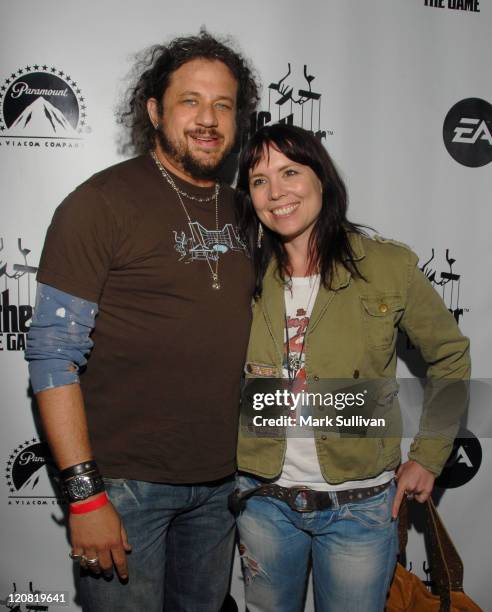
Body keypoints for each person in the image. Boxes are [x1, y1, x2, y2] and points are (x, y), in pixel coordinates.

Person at [25, 31, 259, 612]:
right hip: (125, 488)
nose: (208, 119)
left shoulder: (246, 208)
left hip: (221, 486)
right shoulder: (100, 204)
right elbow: (53, 356)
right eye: (190, 101)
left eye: (223, 105)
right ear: (155, 110)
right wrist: (84, 499)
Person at [233, 124, 471, 612]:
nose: (275, 192)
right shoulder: (239, 271)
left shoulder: (387, 266)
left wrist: (428, 455)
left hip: (360, 508)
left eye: (290, 172)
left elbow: (450, 354)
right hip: (263, 502)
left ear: (322, 179)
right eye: (258, 180)